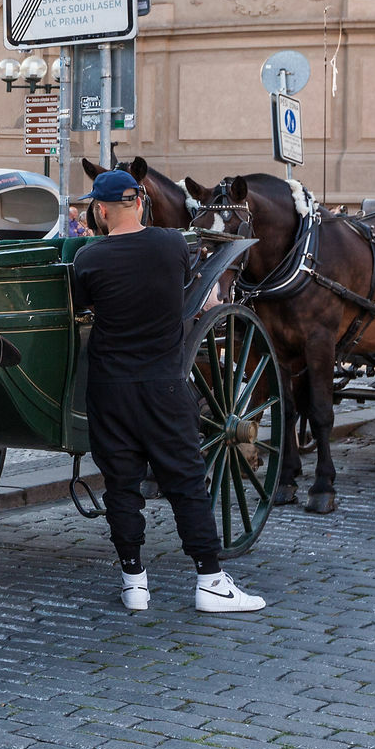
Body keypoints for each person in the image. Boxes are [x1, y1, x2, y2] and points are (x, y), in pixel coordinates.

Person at [72, 169, 266, 614]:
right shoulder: (173, 245)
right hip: (163, 384)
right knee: (186, 483)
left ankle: (134, 583)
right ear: (139, 203)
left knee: (121, 487)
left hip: (110, 388)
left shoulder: (89, 259)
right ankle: (211, 582)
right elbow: (191, 295)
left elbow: (85, 307)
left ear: (100, 212)